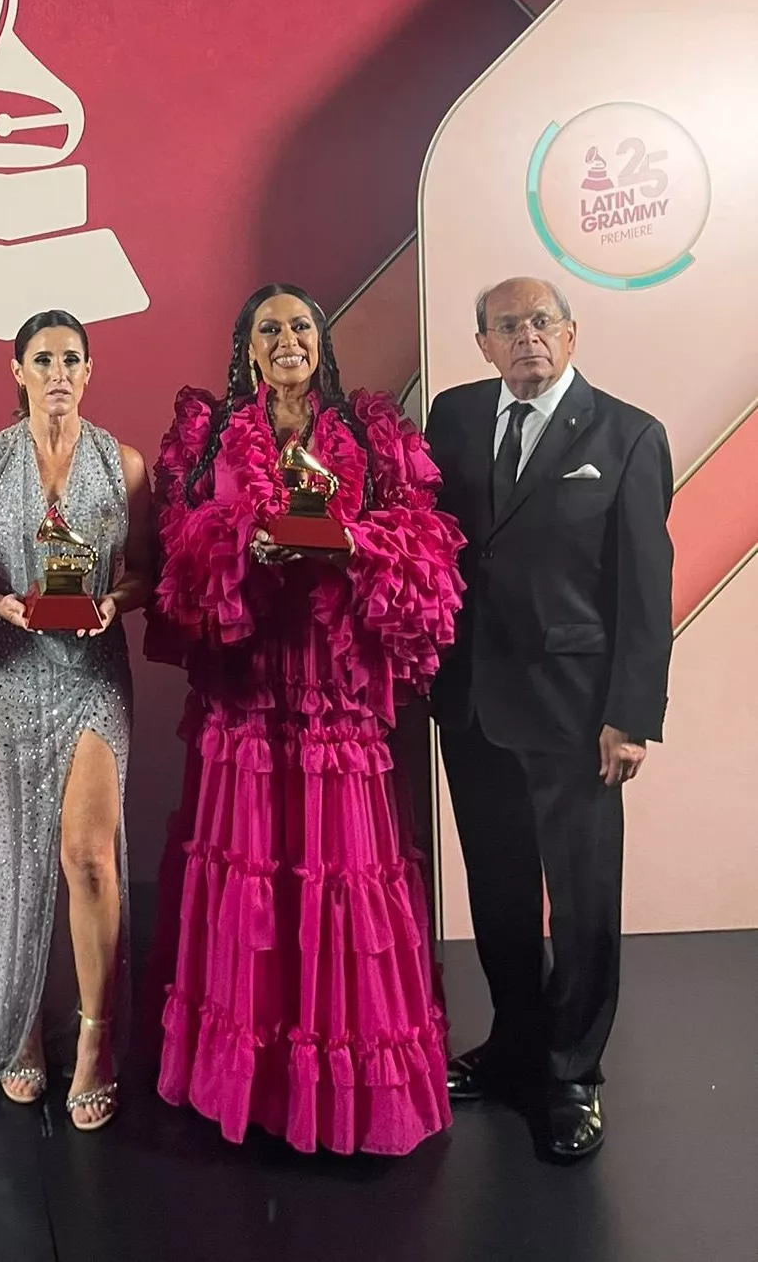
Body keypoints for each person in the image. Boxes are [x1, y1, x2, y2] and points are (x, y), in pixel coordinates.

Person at [145, 283, 465, 1155]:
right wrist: (243, 540)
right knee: (251, 868)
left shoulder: (368, 432)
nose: (285, 338)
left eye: (299, 326)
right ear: (245, 348)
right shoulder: (207, 434)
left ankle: (350, 1103)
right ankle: (248, 1087)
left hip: (335, 688)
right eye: (267, 328)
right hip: (248, 685)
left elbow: (427, 545)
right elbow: (175, 552)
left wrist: (348, 543)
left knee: (342, 870)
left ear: (319, 342)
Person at [425, 277, 674, 1160]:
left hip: (577, 717)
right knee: (495, 892)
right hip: (470, 704)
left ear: (570, 334)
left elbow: (644, 589)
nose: (525, 337)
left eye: (541, 322)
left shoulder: (628, 434)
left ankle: (570, 1073)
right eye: (506, 326)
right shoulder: (451, 418)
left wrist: (630, 714)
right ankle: (513, 1047)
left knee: (580, 901)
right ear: (481, 342)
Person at [0, 310, 152, 1130]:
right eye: (44, 358)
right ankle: (22, 1023)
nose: (59, 370)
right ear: (17, 369)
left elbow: (145, 572)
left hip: (93, 671)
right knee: (11, 855)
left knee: (87, 855)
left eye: (72, 357)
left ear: (90, 370)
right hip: (5, 668)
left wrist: (111, 601)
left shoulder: (125, 462)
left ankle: (96, 1038)